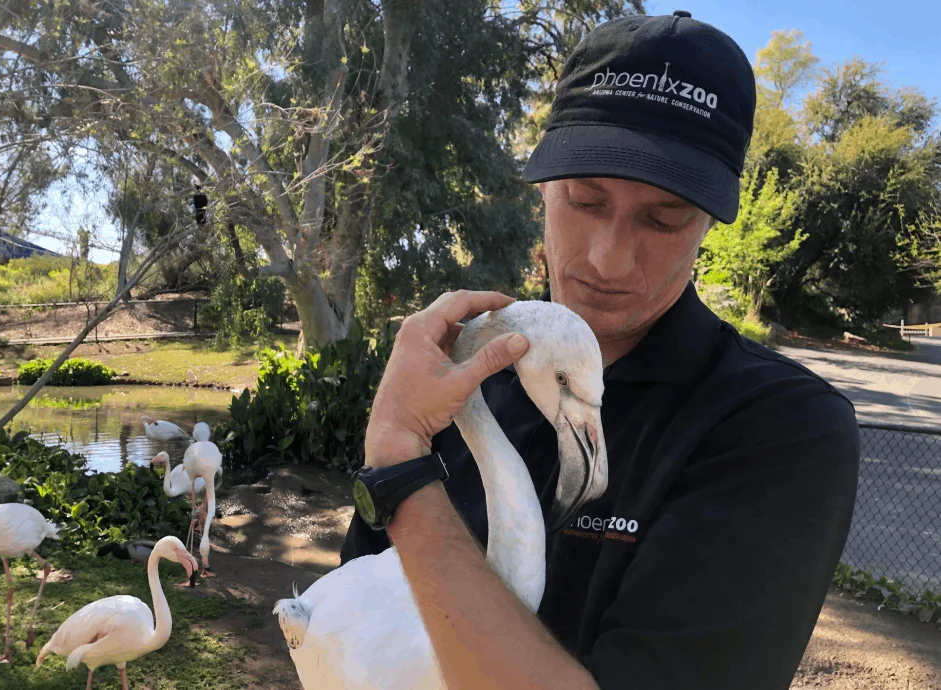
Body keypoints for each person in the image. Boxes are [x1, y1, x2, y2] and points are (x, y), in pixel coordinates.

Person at [341, 10, 860, 690]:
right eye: (585, 201)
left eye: (662, 219)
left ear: (705, 222)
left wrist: (402, 473)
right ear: (544, 193)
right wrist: (399, 448)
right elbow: (358, 619)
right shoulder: (465, 386)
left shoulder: (779, 428)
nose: (607, 262)